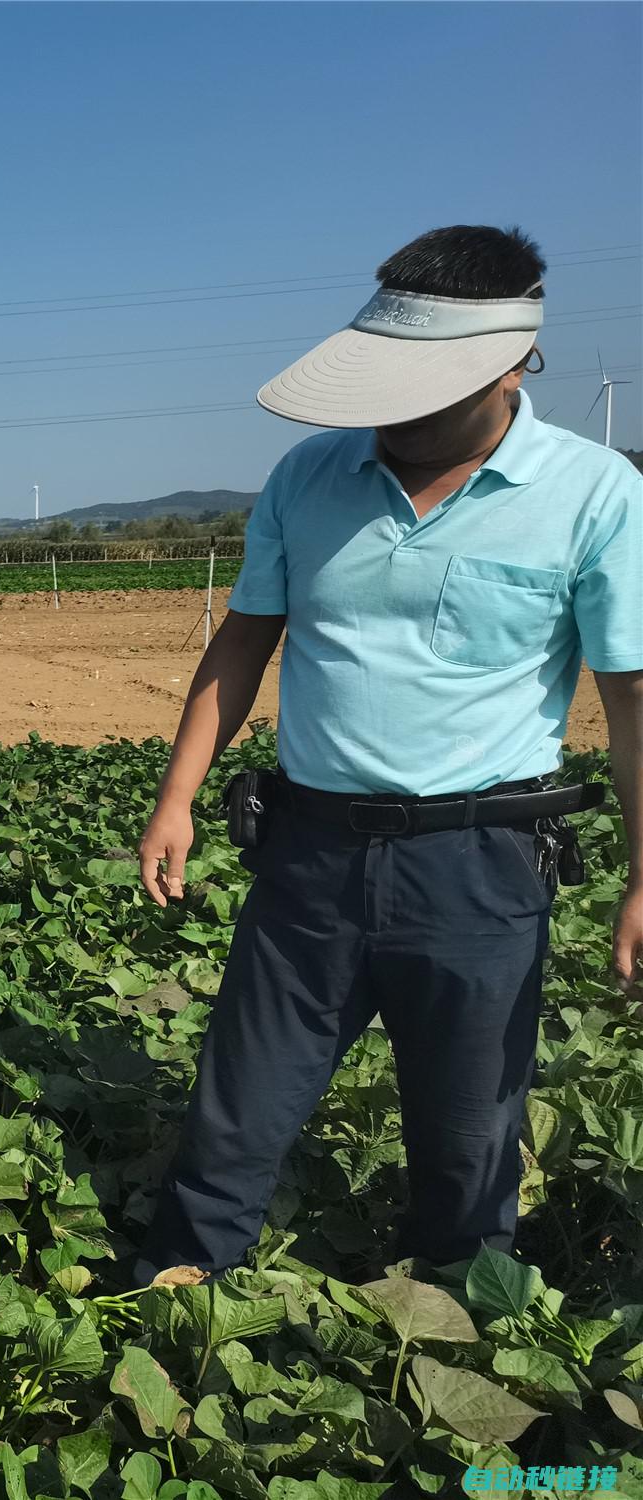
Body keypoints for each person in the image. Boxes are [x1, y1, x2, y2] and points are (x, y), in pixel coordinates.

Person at [133, 226, 642, 1285]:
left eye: (427, 392)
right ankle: (176, 1301)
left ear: (510, 365)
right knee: (236, 1107)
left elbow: (629, 701)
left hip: (479, 865)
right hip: (307, 850)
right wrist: (175, 794)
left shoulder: (593, 494)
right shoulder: (307, 474)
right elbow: (244, 638)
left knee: (466, 1136)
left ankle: (459, 1336)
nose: (394, 416)